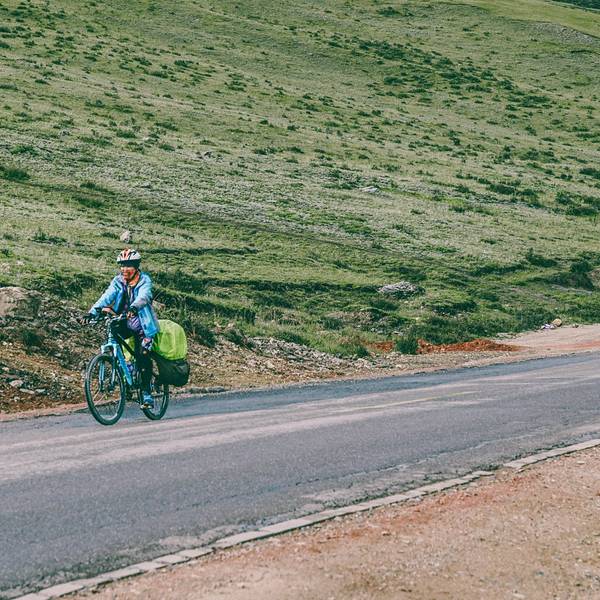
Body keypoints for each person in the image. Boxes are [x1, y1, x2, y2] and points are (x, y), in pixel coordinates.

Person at [85, 248, 160, 408]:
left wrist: (134, 307)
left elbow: (144, 296)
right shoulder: (118, 281)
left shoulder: (144, 280)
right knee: (115, 343)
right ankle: (127, 376)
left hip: (142, 325)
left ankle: (147, 394)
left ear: (136, 267)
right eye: (122, 266)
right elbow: (107, 296)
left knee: (143, 355)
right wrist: (92, 312)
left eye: (128, 266)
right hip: (124, 320)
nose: (124, 269)